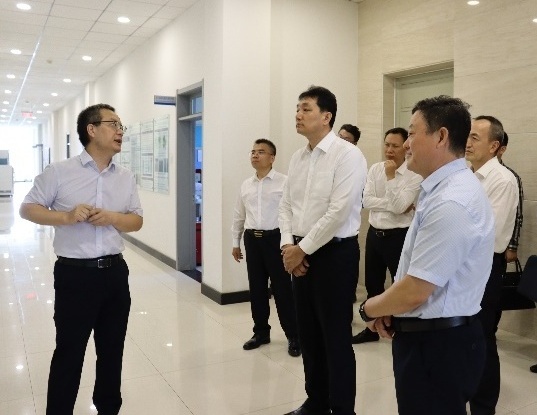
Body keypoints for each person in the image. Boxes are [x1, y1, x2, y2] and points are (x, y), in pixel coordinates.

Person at [359, 96, 495, 415]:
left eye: (411, 133)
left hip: (438, 346)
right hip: (431, 337)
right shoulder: (442, 189)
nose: (406, 145)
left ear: (441, 136)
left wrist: (368, 309)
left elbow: (415, 291)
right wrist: (392, 309)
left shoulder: (452, 201)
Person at [19, 104, 143, 415]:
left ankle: (108, 409)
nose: (120, 131)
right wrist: (65, 216)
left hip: (115, 274)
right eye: (113, 124)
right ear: (91, 129)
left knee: (112, 351)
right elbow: (28, 208)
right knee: (69, 352)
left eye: (121, 126)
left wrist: (113, 217)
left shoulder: (125, 177)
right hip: (75, 276)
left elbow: (136, 221)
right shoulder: (59, 172)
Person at [280, 85, 367, 415]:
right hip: (300, 252)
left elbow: (339, 211)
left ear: (326, 116)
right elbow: (285, 205)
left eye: (306, 109)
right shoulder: (298, 157)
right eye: (297, 109)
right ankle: (316, 401)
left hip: (335, 255)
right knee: (309, 334)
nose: (298, 115)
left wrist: (301, 250)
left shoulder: (348, 155)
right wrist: (289, 246)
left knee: (335, 336)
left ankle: (342, 408)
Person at [466, 115, 519, 415]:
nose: (467, 142)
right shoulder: (466, 174)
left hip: (486, 266)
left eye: (475, 137)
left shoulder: (502, 180)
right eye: (468, 136)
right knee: (465, 336)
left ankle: (484, 407)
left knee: (482, 337)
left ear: (494, 146)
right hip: (464, 264)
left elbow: (490, 235)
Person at [352, 127, 422, 344]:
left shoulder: (414, 173)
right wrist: (394, 205)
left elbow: (401, 207)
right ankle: (372, 329)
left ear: (406, 147)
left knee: (399, 284)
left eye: (395, 146)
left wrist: (391, 178)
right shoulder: (375, 169)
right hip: (374, 233)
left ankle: (400, 328)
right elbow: (366, 201)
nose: (389, 150)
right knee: (373, 283)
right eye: (387, 145)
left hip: (399, 236)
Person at [231, 138, 300, 357]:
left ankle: (294, 336)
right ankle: (261, 332)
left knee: (282, 290)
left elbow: (292, 213)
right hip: (252, 240)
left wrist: (292, 243)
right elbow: (239, 215)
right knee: (257, 289)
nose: (255, 155)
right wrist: (235, 243)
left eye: (261, 152)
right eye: (253, 151)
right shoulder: (246, 185)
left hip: (276, 240)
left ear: (272, 158)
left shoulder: (284, 182)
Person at [497, 132, 524, 264]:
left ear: (501, 149)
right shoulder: (469, 174)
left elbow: (516, 215)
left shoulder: (510, 177)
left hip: (497, 248)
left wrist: (512, 247)